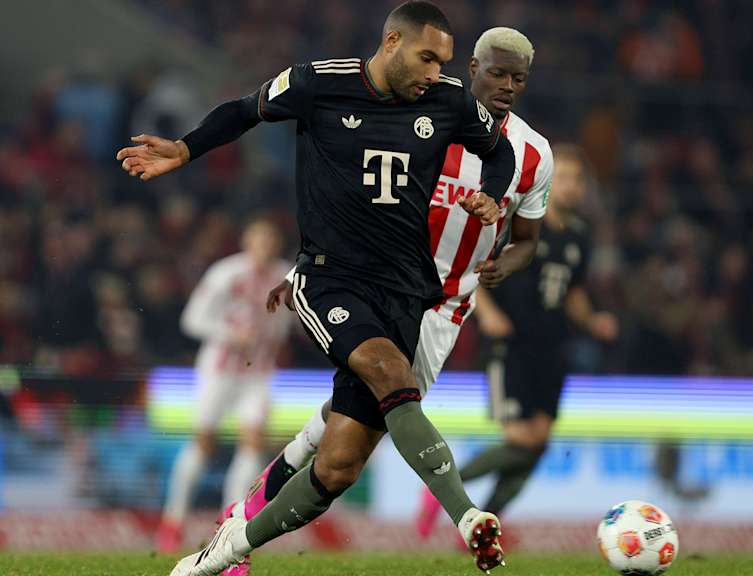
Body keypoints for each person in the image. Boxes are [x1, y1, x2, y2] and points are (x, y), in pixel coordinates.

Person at [116, 3, 518, 574]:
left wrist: (493, 198)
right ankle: (468, 517)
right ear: (392, 41)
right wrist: (185, 149)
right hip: (330, 278)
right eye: (427, 57)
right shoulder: (317, 82)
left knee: (337, 468)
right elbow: (244, 110)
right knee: (390, 373)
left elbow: (498, 150)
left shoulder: (449, 101)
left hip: (404, 289)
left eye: (442, 62)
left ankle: (222, 552)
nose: (435, 72)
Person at [213, 26, 552, 576]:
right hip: (374, 286)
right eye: (498, 73)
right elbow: (355, 207)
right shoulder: (421, 116)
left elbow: (529, 242)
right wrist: (309, 268)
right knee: (366, 421)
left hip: (442, 312)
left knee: (345, 426)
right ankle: (239, 537)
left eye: (519, 78)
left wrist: (502, 265)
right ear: (471, 68)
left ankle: (239, 524)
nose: (508, 85)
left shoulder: (534, 155)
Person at [417, 144, 618, 529]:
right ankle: (440, 490)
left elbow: (573, 293)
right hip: (511, 343)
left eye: (579, 180)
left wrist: (593, 322)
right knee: (523, 440)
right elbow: (478, 265)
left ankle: (486, 525)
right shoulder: (520, 224)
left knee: (537, 445)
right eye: (566, 178)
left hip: (552, 346)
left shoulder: (580, 236)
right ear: (548, 181)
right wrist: (488, 313)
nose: (573, 187)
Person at [155, 219, 292, 553]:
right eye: (259, 239)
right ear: (247, 241)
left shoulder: (287, 275)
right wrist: (231, 334)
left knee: (252, 441)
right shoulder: (226, 273)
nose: (265, 247)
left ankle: (230, 523)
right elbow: (192, 319)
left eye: (270, 240)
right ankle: (174, 520)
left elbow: (290, 317)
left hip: (258, 372)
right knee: (204, 442)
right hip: (218, 371)